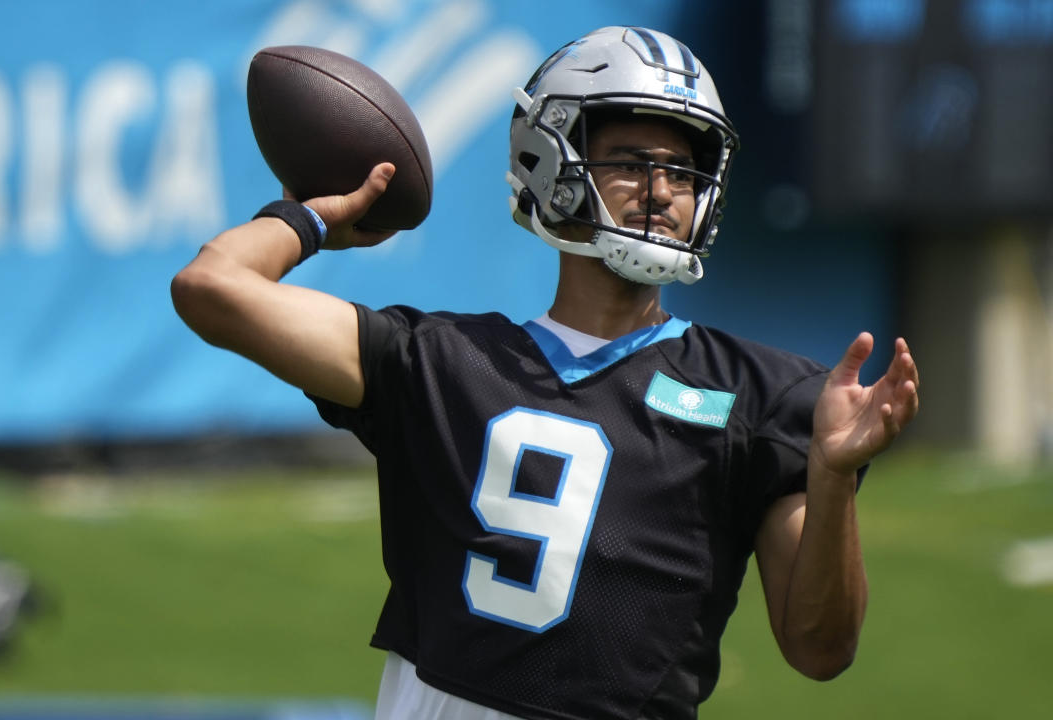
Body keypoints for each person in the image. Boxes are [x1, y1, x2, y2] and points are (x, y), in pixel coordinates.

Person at [172, 26, 919, 720]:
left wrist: (828, 480)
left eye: (684, 171)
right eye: (631, 162)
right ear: (550, 157)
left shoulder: (762, 397)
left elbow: (821, 651)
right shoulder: (435, 362)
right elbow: (213, 289)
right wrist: (312, 221)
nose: (661, 192)